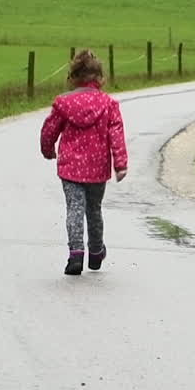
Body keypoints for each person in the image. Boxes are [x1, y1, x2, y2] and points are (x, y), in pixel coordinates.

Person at [40, 49, 129, 276]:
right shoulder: (108, 104)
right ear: (100, 78)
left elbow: (50, 129)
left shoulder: (63, 103)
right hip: (97, 168)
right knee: (94, 209)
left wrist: (48, 150)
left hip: (70, 168)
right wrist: (120, 164)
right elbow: (116, 133)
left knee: (74, 209)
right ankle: (97, 251)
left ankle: (76, 254)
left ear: (73, 77)